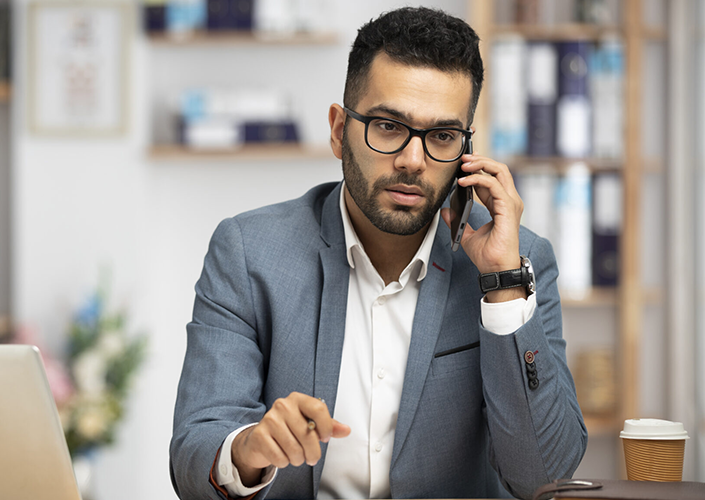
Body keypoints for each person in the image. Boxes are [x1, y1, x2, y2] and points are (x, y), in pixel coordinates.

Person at [170, 6, 587, 500]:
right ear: (338, 131)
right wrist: (250, 449)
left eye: (442, 136)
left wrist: (501, 283)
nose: (413, 161)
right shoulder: (249, 252)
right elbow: (193, 454)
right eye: (389, 126)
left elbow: (543, 475)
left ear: (466, 151)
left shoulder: (518, 260)